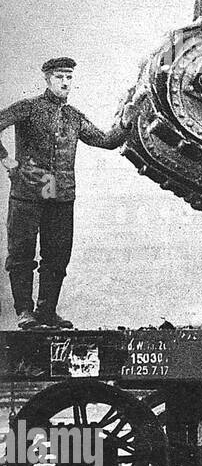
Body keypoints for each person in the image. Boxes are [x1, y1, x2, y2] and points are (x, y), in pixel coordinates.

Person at [0, 58, 139, 329]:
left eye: (69, 77)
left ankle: (47, 312)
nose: (65, 82)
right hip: (28, 194)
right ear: (47, 79)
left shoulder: (74, 116)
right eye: (60, 77)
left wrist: (128, 119)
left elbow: (106, 141)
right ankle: (24, 312)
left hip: (61, 196)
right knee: (21, 254)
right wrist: (7, 160)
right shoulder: (28, 108)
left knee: (57, 256)